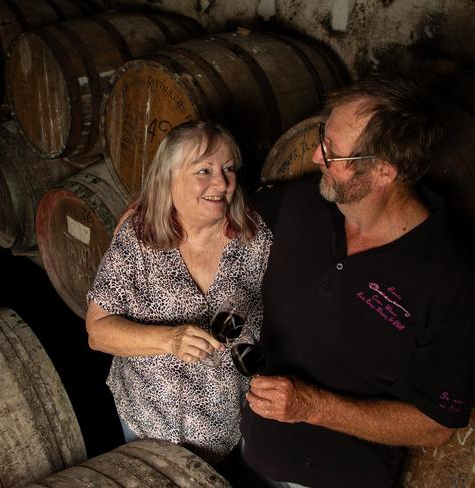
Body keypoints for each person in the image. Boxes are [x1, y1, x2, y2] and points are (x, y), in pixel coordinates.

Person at [240, 73, 475, 487]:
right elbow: (227, 214)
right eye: (321, 138)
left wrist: (312, 407)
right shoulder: (301, 204)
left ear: (384, 171)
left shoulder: (449, 284)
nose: (315, 157)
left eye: (333, 152)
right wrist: (157, 206)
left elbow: (435, 424)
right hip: (248, 455)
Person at [85, 120, 272, 464]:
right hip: (146, 418)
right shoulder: (139, 238)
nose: (222, 182)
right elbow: (97, 331)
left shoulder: (255, 237)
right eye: (204, 170)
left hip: (224, 423)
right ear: (169, 177)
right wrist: (170, 340)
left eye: (228, 168)